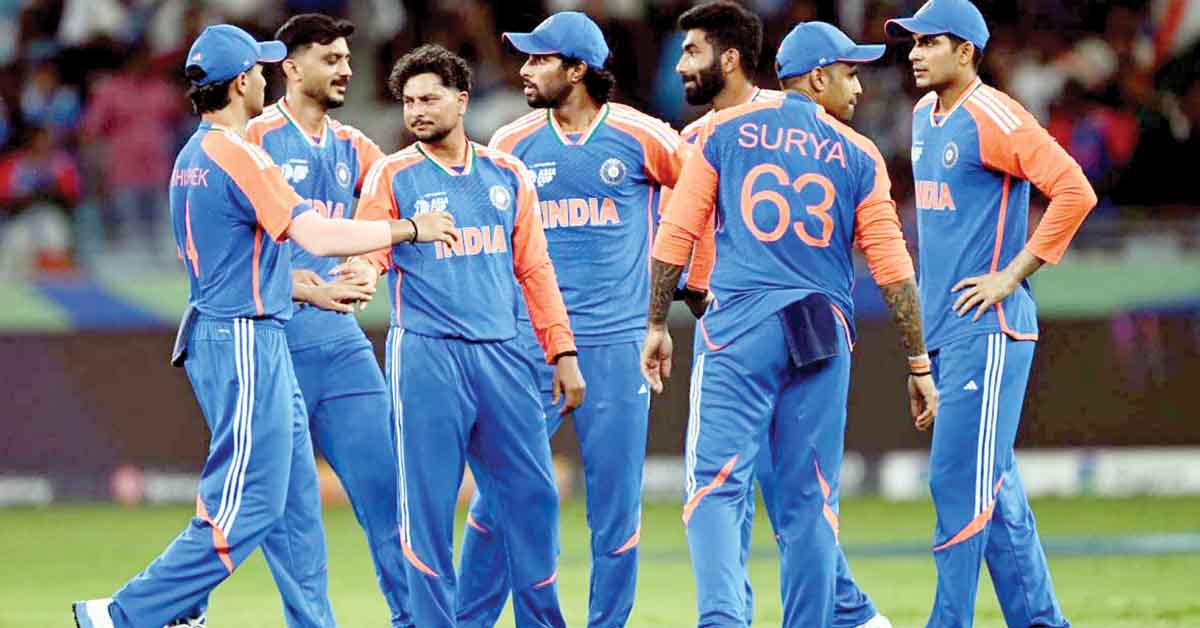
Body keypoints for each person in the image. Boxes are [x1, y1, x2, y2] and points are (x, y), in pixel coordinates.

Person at [71, 24, 458, 628]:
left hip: (261, 331)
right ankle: (131, 613)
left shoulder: (196, 154)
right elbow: (315, 236)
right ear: (244, 82)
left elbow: (245, 262)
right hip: (248, 336)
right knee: (261, 505)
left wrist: (333, 282)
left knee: (264, 497)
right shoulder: (244, 149)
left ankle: (170, 610)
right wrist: (409, 230)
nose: (265, 78)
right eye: (260, 69)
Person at [641, 21, 938, 627]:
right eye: (850, 73)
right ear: (818, 77)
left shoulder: (721, 132)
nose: (858, 86)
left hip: (741, 325)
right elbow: (893, 270)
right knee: (812, 503)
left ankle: (722, 620)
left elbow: (676, 233)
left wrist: (655, 323)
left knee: (716, 484)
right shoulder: (860, 154)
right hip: (822, 331)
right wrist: (918, 362)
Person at [169, 14, 410, 628]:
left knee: (391, 501)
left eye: (347, 59)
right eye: (331, 59)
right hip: (273, 345)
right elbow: (224, 255)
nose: (346, 69)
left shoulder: (355, 145)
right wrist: (307, 284)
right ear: (291, 69)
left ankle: (417, 619)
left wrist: (370, 265)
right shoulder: (247, 140)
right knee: (292, 521)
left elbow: (397, 196)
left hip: (342, 349)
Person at [457, 12, 686, 627]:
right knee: (497, 498)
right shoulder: (510, 144)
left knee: (615, 509)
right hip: (530, 348)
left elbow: (701, 193)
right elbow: (484, 235)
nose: (525, 70)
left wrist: (692, 283)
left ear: (578, 69)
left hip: (617, 347)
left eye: (540, 60)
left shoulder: (644, 136)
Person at [356, 43, 584, 628]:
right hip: (427, 356)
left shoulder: (508, 174)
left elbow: (535, 270)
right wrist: (359, 274)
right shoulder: (392, 174)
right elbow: (369, 247)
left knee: (533, 498)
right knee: (428, 510)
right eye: (408, 102)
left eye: (429, 99)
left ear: (462, 100)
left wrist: (561, 350)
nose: (417, 111)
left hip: (505, 355)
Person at [884, 1, 1097, 626]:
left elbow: (1074, 190)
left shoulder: (995, 114)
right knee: (994, 490)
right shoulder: (923, 116)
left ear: (966, 51)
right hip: (947, 334)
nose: (915, 54)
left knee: (957, 483)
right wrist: (922, 355)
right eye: (912, 43)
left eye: (929, 42)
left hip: (989, 330)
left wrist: (1011, 275)